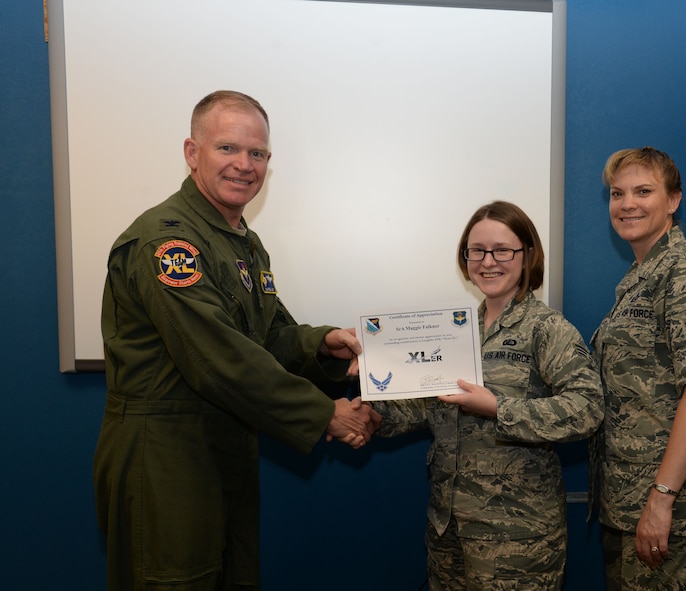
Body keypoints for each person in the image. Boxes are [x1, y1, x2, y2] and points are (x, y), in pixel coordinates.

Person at [93, 90, 380, 590]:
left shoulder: (241, 241)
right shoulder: (168, 243)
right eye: (227, 148)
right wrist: (325, 414)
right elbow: (219, 358)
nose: (244, 165)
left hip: (225, 447)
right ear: (192, 153)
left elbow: (268, 336)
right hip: (165, 456)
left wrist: (323, 344)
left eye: (257, 153)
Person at [372, 200, 604, 591]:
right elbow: (425, 408)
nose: (488, 261)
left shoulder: (546, 328)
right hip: (447, 530)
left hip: (516, 538)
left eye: (502, 250)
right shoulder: (455, 331)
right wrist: (369, 415)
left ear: (527, 255)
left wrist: (498, 408)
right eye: (476, 251)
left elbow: (587, 408)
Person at [588, 147, 686, 590]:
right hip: (629, 501)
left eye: (643, 191)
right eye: (617, 193)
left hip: (675, 510)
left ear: (673, 200)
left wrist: (661, 499)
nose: (627, 204)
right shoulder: (641, 277)